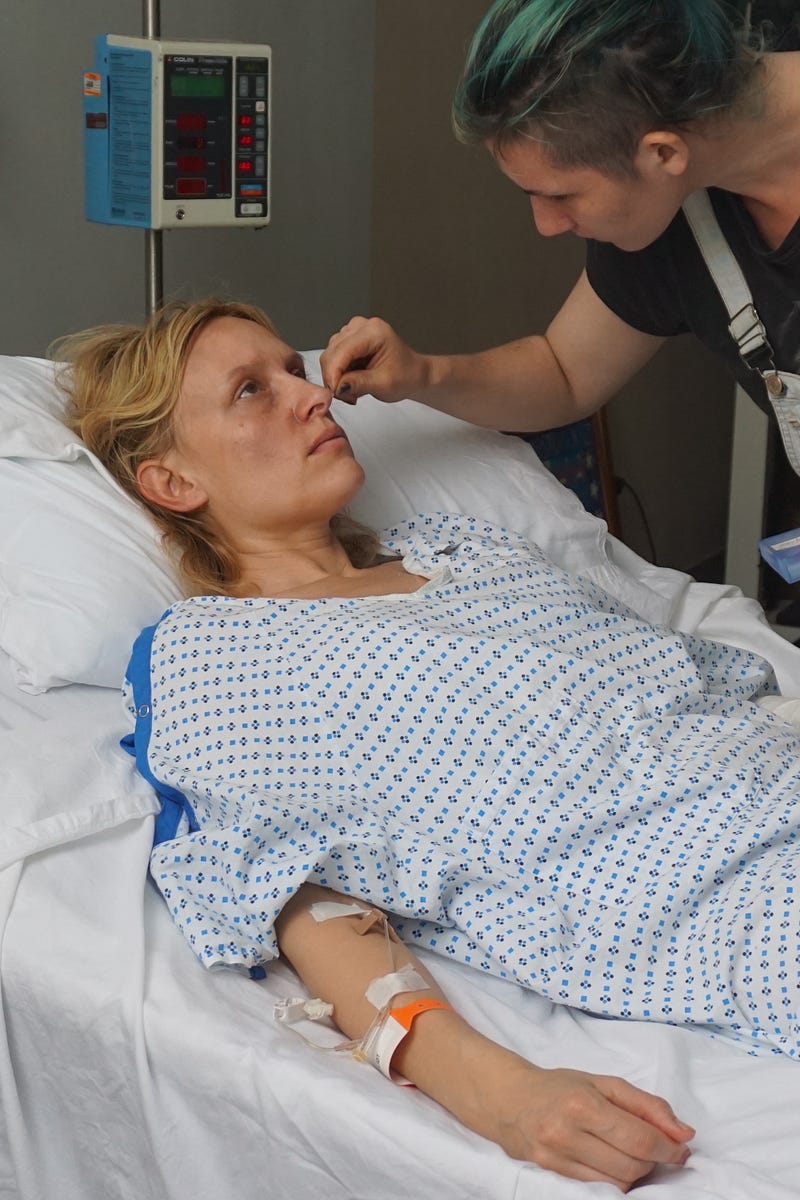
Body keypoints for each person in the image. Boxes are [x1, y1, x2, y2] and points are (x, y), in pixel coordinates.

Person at [58, 297, 800, 1190]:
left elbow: (690, 689)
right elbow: (293, 889)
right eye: (251, 390)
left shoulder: (463, 547)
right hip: (732, 897)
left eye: (292, 369)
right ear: (173, 482)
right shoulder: (218, 654)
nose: (310, 395)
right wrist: (497, 1091)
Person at [320, 0, 800, 479]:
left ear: (662, 153)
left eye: (561, 195)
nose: (547, 225)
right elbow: (565, 374)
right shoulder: (671, 207)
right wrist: (422, 375)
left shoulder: (658, 189)